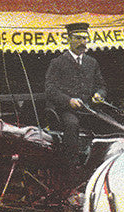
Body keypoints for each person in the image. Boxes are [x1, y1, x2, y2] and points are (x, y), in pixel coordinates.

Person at [44, 22, 107, 168]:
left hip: (88, 109)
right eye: (78, 38)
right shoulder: (58, 62)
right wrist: (69, 100)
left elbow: (102, 86)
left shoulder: (92, 63)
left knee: (107, 123)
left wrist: (99, 94)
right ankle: (71, 166)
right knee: (72, 125)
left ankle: (99, 164)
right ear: (69, 39)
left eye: (85, 39)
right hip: (65, 111)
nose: (82, 42)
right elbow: (50, 89)